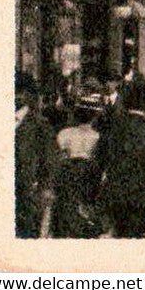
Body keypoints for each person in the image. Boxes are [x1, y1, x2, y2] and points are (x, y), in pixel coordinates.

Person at [93, 77, 145, 238]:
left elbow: (99, 159)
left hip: (117, 192)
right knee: (139, 234)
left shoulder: (113, 129)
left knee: (121, 234)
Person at [50, 100, 104, 238]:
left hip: (68, 179)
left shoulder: (65, 134)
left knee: (64, 216)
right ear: (94, 117)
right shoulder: (97, 137)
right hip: (88, 180)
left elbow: (57, 159)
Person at [15, 73, 56, 239]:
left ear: (25, 95)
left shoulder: (40, 125)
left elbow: (50, 161)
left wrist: (44, 189)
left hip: (28, 198)